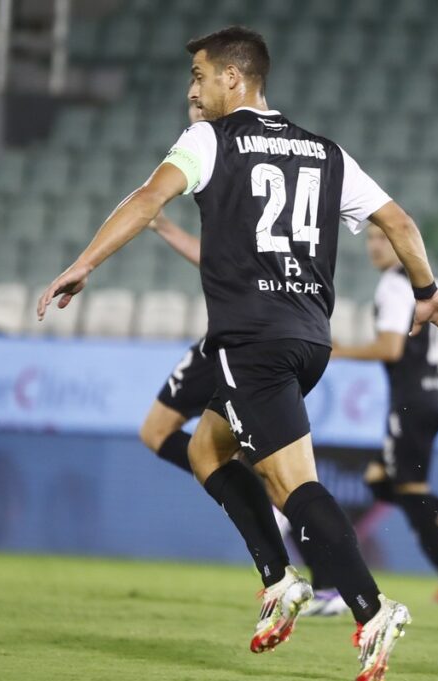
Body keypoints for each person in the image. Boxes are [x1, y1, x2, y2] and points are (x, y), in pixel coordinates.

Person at [37, 26, 438, 681]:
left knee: (294, 485)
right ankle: (279, 579)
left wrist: (84, 263)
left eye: (200, 75)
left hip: (251, 340)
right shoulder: (327, 152)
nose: (194, 88)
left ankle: (371, 607)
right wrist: (428, 292)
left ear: (233, 78)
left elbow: (149, 197)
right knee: (205, 451)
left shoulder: (209, 140)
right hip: (309, 338)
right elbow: (401, 224)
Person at [139, 93, 347, 617]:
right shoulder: (225, 159)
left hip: (245, 338)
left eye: (200, 95)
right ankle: (295, 555)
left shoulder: (226, 154)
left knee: (276, 475)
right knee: (171, 437)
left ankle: (321, 577)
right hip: (247, 332)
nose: (193, 105)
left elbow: (230, 261)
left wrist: (159, 223)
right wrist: (162, 225)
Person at [331, 224, 438, 603]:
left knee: (410, 491)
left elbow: (390, 348)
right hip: (433, 398)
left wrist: (340, 351)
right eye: (370, 238)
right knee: (379, 479)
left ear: (404, 243)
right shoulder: (432, 283)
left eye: (383, 238)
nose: (375, 246)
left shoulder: (395, 285)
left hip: (412, 401)